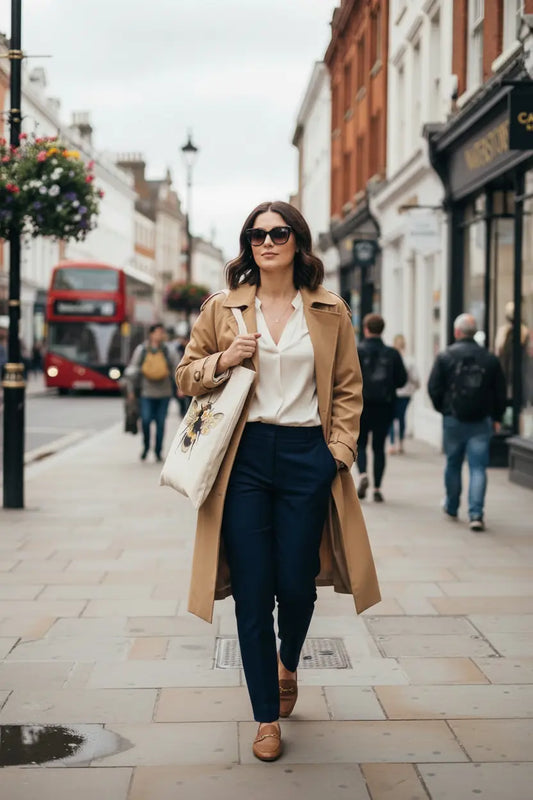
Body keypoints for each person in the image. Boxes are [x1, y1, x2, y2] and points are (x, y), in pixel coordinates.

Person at [176, 201, 380, 762]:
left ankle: (288, 662)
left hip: (306, 454)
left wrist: (338, 453)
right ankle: (266, 716)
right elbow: (186, 375)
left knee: (295, 583)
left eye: (279, 232)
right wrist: (224, 359)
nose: (267, 242)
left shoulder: (329, 309)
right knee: (251, 589)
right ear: (248, 244)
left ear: (297, 241)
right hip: (242, 458)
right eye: (257, 234)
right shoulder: (222, 308)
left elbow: (348, 387)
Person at [428, 313, 506, 532]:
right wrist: (497, 417)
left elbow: (433, 387)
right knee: (478, 467)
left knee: (453, 463)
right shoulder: (489, 358)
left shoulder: (445, 356)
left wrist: (444, 410)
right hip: (481, 421)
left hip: (453, 419)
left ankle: (452, 506)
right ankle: (476, 514)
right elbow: (500, 392)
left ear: (456, 332)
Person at [356, 313, 407, 503]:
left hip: (361, 405)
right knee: (379, 447)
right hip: (384, 406)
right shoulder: (392, 353)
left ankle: (362, 474)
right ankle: (377, 488)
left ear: (366, 329)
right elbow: (402, 380)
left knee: (360, 444)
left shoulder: (357, 351)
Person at [126, 323, 177, 462]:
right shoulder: (142, 350)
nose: (160, 335)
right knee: (146, 420)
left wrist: (180, 387)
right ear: (151, 334)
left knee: (161, 423)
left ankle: (158, 451)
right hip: (146, 393)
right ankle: (146, 446)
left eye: (162, 332)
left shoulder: (168, 350)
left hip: (164, 393)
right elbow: (133, 370)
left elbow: (176, 369)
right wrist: (131, 390)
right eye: (158, 332)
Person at [389, 334, 420, 454]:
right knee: (401, 417)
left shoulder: (391, 358)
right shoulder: (409, 360)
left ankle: (392, 443)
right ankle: (401, 443)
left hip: (392, 393)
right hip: (406, 394)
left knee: (391, 419)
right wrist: (415, 387)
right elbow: (415, 378)